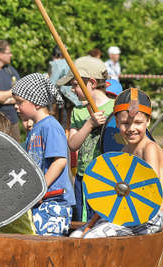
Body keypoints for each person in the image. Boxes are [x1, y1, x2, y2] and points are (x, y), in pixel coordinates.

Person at [70, 88, 163, 238]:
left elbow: (149, 190)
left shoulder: (149, 148)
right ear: (116, 123)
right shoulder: (125, 150)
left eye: (138, 122)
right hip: (127, 212)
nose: (131, 128)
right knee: (77, 235)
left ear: (148, 121)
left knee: (92, 237)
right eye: (125, 123)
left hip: (149, 217)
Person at [12, 73, 76, 236]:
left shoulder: (50, 126)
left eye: (20, 102)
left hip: (54, 202)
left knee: (49, 250)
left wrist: (39, 188)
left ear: (37, 102)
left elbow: (59, 161)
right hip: (41, 200)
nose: (15, 106)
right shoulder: (35, 129)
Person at [58, 56, 113, 222]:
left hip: (108, 176)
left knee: (104, 218)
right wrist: (89, 124)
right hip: (84, 175)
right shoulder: (78, 111)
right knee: (85, 220)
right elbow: (73, 145)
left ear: (92, 83)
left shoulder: (116, 107)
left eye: (75, 85)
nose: (73, 90)